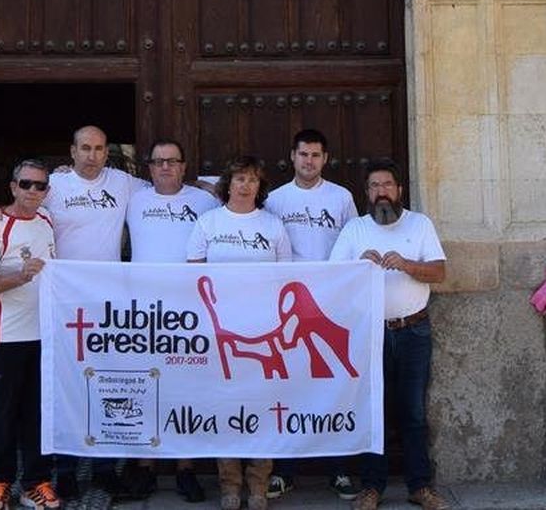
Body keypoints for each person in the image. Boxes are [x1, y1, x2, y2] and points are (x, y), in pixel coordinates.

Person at [0, 125, 146, 496]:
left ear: (107, 152)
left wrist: (209, 187)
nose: (92, 155)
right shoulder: (52, 185)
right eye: (85, 148)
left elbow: (166, 193)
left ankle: (105, 467)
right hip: (63, 305)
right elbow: (17, 206)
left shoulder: (123, 182)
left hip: (107, 304)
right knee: (66, 386)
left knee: (105, 384)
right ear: (71, 151)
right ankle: (65, 469)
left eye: (99, 148)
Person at [327, 161, 448, 510]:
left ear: (399, 191)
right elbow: (333, 281)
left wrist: (408, 264)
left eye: (387, 185)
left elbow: (439, 272)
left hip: (413, 330)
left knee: (413, 412)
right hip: (369, 333)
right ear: (366, 193)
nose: (381, 191)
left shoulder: (419, 225)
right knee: (372, 411)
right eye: (374, 186)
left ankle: (419, 486)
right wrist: (357, 265)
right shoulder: (354, 230)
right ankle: (372, 487)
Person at [188, 156, 292, 510]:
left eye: (252, 180)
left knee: (262, 407)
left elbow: (285, 279)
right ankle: (230, 484)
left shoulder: (273, 226)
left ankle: (259, 484)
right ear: (227, 184)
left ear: (260, 187)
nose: (245, 185)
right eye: (239, 178)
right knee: (225, 405)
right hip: (220, 332)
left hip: (264, 331)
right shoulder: (208, 223)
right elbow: (194, 278)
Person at [121, 139, 221, 502]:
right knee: (146, 387)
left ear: (183, 166)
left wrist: (210, 184)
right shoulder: (133, 196)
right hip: (143, 312)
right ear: (148, 168)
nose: (165, 167)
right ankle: (146, 466)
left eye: (172, 162)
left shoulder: (204, 201)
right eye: (158, 162)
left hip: (189, 313)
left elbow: (240, 198)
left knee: (185, 389)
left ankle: (185, 468)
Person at [263, 129, 360, 499]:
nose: (309, 161)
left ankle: (339, 469)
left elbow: (353, 244)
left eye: (316, 155)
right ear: (292, 156)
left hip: (330, 306)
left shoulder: (341, 197)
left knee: (330, 382)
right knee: (290, 385)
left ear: (326, 159)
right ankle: (284, 471)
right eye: (303, 154)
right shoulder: (275, 199)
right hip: (287, 309)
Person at [0, 159, 61, 510]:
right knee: (4, 412)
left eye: (40, 186)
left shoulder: (47, 220)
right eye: (26, 184)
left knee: (39, 412)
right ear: (13, 187)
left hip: (43, 336)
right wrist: (21, 277)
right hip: (3, 337)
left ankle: (36, 482)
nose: (33, 191)